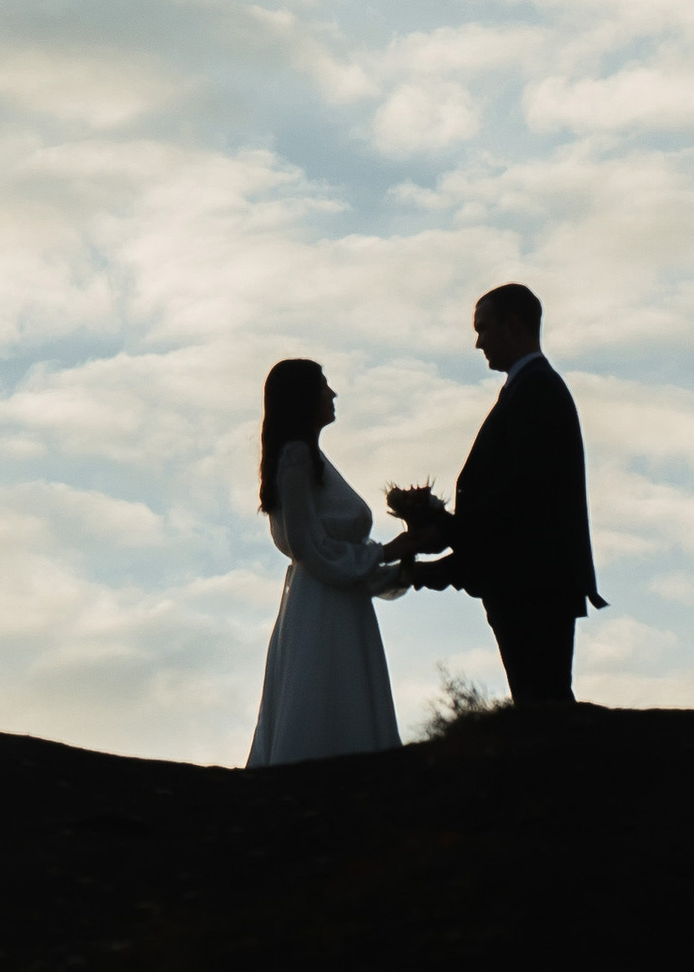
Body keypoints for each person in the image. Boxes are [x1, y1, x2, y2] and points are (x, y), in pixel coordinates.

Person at [392, 282, 605, 706]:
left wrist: (448, 533)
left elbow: (526, 492)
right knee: (537, 700)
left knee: (542, 704)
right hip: (527, 579)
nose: (478, 343)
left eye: (484, 329)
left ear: (513, 326)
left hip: (534, 582)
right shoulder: (527, 389)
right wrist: (452, 564)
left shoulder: (536, 389)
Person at [244, 356, 411, 766]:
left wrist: (399, 563)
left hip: (334, 600)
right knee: (329, 699)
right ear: (304, 397)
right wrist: (392, 551)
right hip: (323, 606)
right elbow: (309, 546)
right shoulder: (297, 456)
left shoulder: (309, 458)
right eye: (323, 385)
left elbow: (328, 554)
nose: (332, 394)